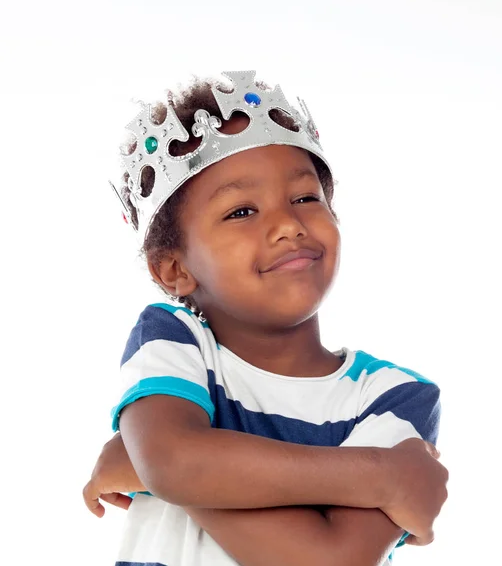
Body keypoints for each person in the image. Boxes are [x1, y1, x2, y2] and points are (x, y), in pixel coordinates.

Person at [83, 70, 448, 566]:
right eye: (241, 211)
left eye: (304, 198)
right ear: (174, 269)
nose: (287, 225)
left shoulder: (395, 394)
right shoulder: (174, 339)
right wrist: (380, 475)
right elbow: (173, 462)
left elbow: (331, 561)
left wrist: (155, 466)